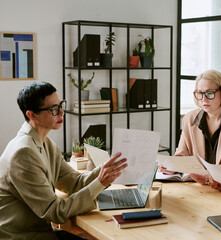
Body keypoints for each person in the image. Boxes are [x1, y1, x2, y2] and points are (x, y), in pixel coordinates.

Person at [0, 81, 128, 239]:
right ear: (32, 115)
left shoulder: (46, 143)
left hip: (40, 232)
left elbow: (74, 183)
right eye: (53, 109)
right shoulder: (23, 153)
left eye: (60, 105)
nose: (61, 112)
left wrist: (105, 170)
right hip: (23, 236)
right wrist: (100, 182)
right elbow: (54, 211)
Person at [160, 69, 221, 188]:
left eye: (210, 93)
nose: (203, 99)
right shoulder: (189, 119)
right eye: (200, 93)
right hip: (196, 186)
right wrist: (172, 166)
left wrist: (210, 176)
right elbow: (182, 155)